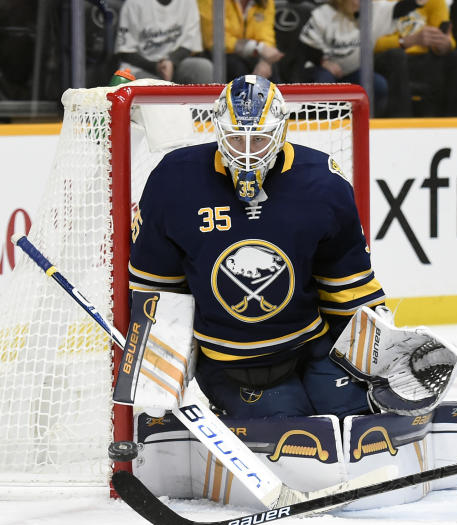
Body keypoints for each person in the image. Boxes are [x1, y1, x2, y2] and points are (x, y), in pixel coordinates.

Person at [128, 76, 384, 419]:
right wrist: (160, 369)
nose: (247, 153)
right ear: (218, 131)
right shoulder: (174, 181)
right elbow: (154, 288)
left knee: (354, 414)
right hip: (231, 363)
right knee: (291, 428)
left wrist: (382, 344)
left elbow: (346, 281)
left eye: (259, 140)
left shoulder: (322, 182)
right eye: (236, 139)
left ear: (280, 133)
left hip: (311, 344)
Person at [298, 0, 425, 118]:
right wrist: (323, 62)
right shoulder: (324, 14)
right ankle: (322, 126)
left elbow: (399, 9)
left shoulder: (372, 10)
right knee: (325, 84)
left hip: (352, 72)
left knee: (378, 85)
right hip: (321, 69)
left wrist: (417, 2)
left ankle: (369, 124)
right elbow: (305, 46)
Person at [373, 0, 457, 117]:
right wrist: (406, 42)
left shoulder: (434, 2)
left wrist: (445, 44)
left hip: (423, 59)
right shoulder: (378, 3)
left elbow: (448, 38)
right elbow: (369, 43)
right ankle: (401, 124)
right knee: (396, 56)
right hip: (387, 59)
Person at [114, 0, 213, 84]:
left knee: (203, 68)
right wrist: (156, 67)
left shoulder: (188, 2)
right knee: (152, 86)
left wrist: (172, 61)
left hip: (174, 64)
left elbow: (190, 43)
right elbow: (125, 52)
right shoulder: (133, 4)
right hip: (141, 67)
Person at [197, 0, 285, 80]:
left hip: (250, 54)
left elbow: (267, 36)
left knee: (270, 69)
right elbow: (213, 38)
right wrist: (257, 47)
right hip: (215, 53)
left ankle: (277, 97)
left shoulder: (266, 1)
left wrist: (266, 61)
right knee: (237, 67)